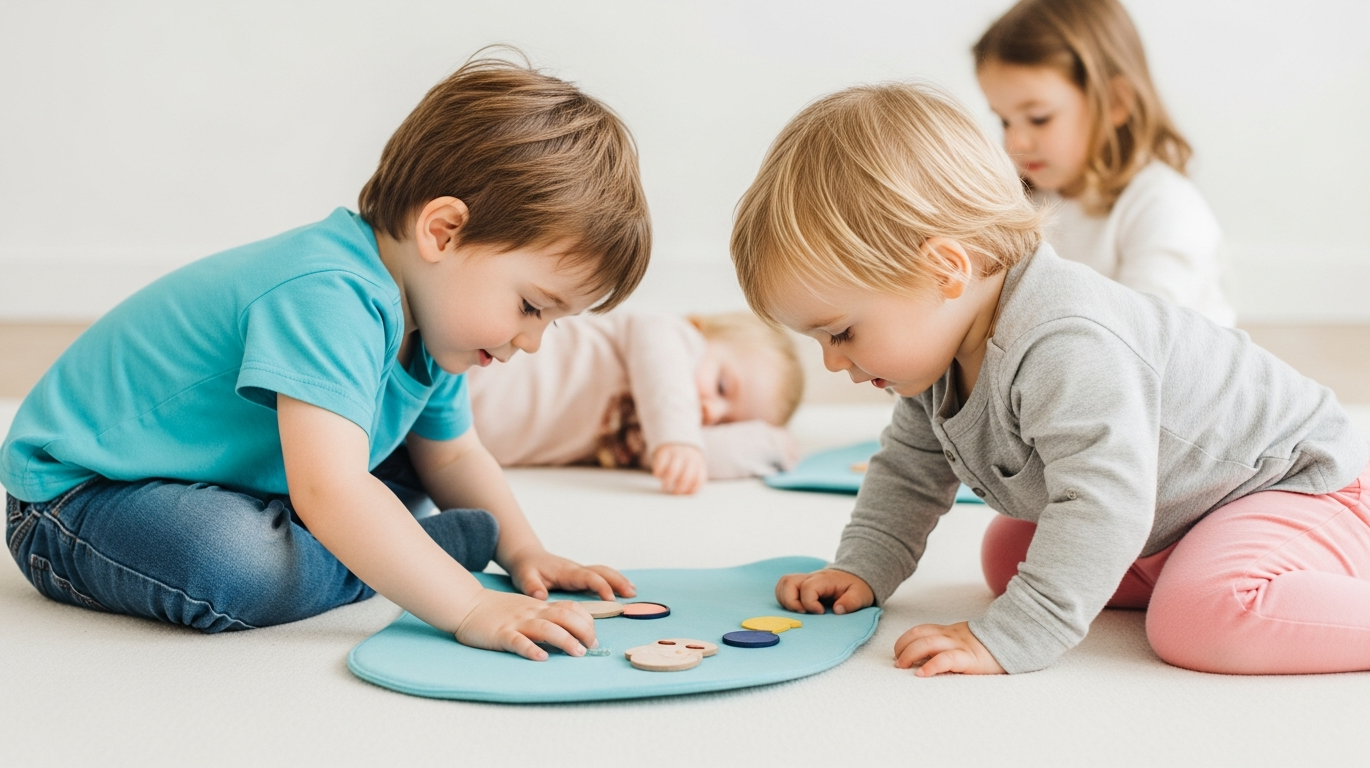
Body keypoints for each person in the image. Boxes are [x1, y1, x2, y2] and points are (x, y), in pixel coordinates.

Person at [0, 53, 652, 661]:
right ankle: (399, 554)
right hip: (78, 501)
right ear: (444, 231)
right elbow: (330, 488)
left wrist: (524, 550)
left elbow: (453, 454)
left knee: (402, 464)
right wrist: (468, 601)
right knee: (231, 560)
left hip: (230, 479)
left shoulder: (436, 328)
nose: (532, 342)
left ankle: (379, 545)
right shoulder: (329, 293)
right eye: (533, 307)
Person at [730, 81, 1369, 675]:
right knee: (1009, 552)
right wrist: (863, 567)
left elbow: (1105, 501)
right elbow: (909, 469)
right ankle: (1183, 562)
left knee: (1197, 618)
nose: (833, 363)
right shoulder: (944, 352)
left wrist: (1011, 635)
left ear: (945, 271)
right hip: (1183, 506)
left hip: (1299, 485)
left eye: (840, 333)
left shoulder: (1065, 341)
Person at [973, 0, 1235, 326]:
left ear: (1114, 102)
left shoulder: (1165, 206)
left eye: (1039, 119)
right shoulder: (1029, 200)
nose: (1014, 143)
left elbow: (1143, 341)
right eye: (1004, 121)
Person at [468, 311, 804, 495]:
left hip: (449, 439)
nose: (711, 411)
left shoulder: (651, 442)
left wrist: (770, 446)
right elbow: (661, 357)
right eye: (721, 386)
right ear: (698, 329)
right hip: (476, 364)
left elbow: (691, 464)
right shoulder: (667, 336)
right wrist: (678, 436)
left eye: (727, 424)